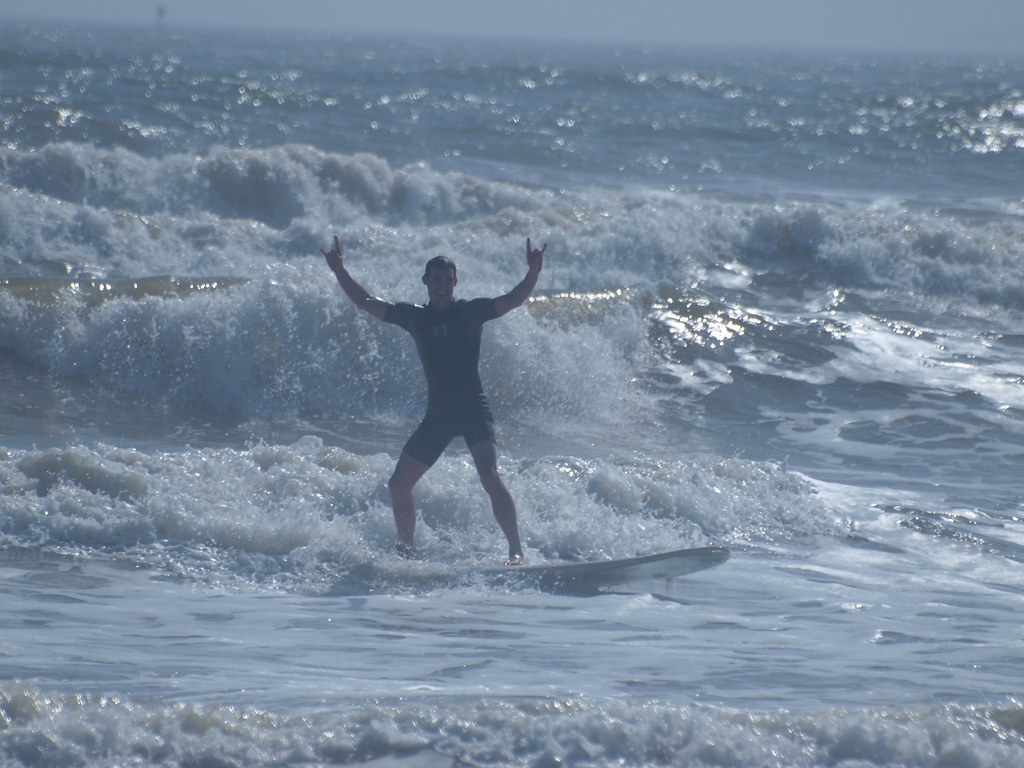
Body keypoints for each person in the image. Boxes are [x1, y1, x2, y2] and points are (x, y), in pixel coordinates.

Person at [323, 235, 546, 565]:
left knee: (489, 476)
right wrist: (340, 270)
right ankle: (407, 551)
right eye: (436, 280)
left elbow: (512, 300)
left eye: (448, 280)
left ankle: (516, 551)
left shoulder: (470, 312)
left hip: (473, 409)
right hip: (439, 415)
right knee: (398, 485)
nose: (442, 286)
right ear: (426, 282)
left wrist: (533, 272)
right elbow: (367, 302)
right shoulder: (416, 317)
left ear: (455, 282)